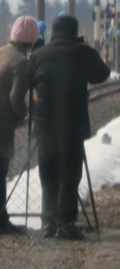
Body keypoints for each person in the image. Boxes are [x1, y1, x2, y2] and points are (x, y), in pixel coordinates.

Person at [27, 15, 110, 240]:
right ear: (74, 33)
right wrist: (85, 47)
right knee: (70, 175)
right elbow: (102, 74)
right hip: (73, 126)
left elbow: (30, 79)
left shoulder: (39, 54)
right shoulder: (83, 53)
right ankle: (65, 224)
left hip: (45, 127)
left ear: (53, 32)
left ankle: (48, 224)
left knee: (48, 176)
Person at [0, 16, 39, 235]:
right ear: (31, 43)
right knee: (0, 174)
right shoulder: (22, 61)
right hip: (2, 127)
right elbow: (16, 99)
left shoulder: (1, 52)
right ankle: (2, 222)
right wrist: (22, 117)